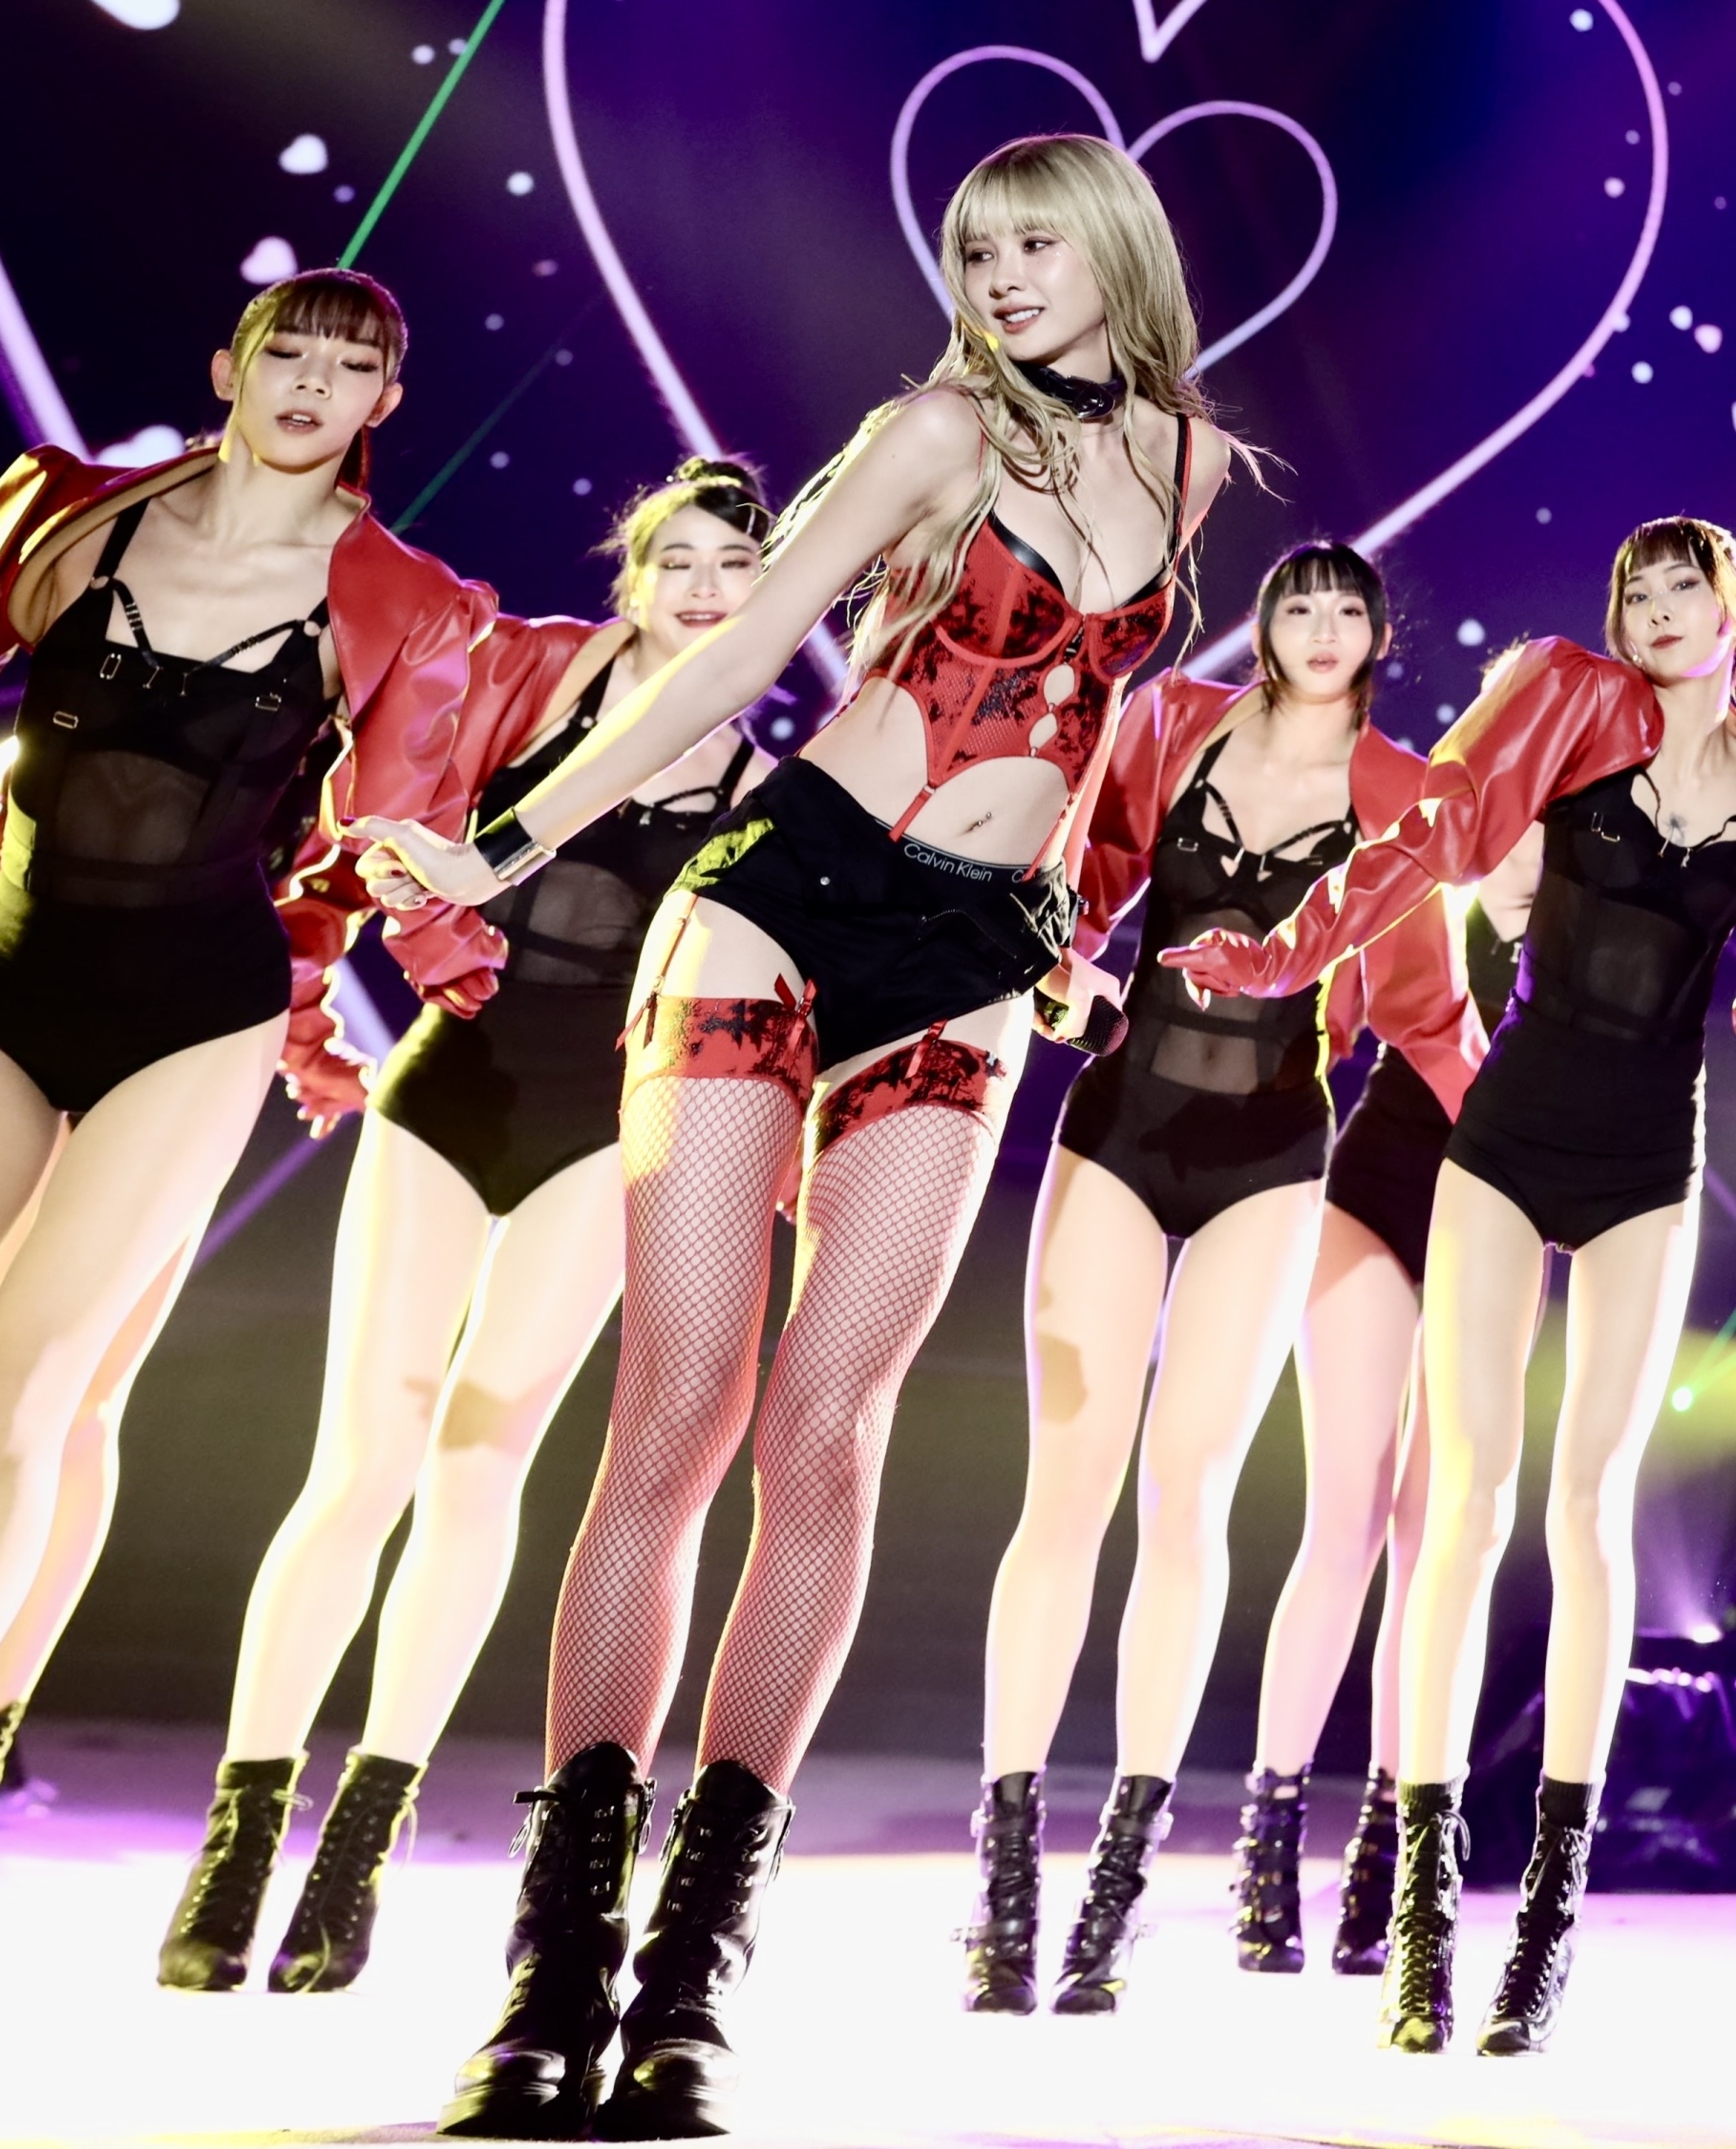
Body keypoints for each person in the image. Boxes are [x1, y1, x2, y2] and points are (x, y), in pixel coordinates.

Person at [357, 132, 1234, 2140]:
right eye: (973, 248)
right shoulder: (936, 431)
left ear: (1115, 247)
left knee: (827, 1434)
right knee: (678, 1407)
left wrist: (1070, 930)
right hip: (785, 894)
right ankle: (556, 1964)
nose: (996, 276)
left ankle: (691, 1973)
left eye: (1032, 243)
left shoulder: (1187, 462)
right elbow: (745, 654)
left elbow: (1103, 729)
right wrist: (508, 845)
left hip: (974, 959)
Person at [0, 266, 499, 2013]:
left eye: (353, 365)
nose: (314, 382)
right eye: (291, 351)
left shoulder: (407, 602)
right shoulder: (65, 515)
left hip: (196, 1006)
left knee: (25, 1400)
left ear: (382, 407)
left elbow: (380, 842)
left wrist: (442, 964)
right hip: (2, 968)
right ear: (228, 365)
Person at [154, 459, 773, 1998]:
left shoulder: (773, 786)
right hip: (449, 1082)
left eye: (735, 568)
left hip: (605, 1123)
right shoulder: (525, 677)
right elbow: (386, 809)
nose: (704, 590)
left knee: (483, 1457)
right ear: (632, 576)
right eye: (678, 561)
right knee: (362, 1458)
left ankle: (363, 1834)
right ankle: (241, 1834)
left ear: (772, 595)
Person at [1164, 517, 1736, 2053]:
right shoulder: (1570, 711)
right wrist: (1283, 952)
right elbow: (1427, 845)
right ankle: (1419, 1907)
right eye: (1637, 589)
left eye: (1685, 586)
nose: (1657, 609)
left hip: (1648, 1161)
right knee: (1463, 1508)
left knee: (1591, 1509)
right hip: (1503, 1137)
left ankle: (1545, 1924)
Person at [961, 543, 1484, 2017]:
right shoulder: (1173, 721)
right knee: (1065, 1490)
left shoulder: (1402, 792)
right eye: (1296, 604)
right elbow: (1079, 887)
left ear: (1379, 632)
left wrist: (1529, 1172)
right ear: (1264, 624)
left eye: (1345, 608)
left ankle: (1116, 1892)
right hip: (1121, 1129)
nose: (1319, 627)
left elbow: (1432, 1017)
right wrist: (1057, 966)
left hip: (1271, 1157)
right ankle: (1006, 1882)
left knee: (1187, 1493)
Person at [1240, 799, 1540, 1982]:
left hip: (1494, 1227)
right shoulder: (1430, 870)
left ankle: (1383, 1844)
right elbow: (1333, 1009)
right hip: (1374, 1194)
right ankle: (1268, 1837)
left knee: (1432, 1544)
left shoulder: (1596, 897)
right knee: (1346, 1523)